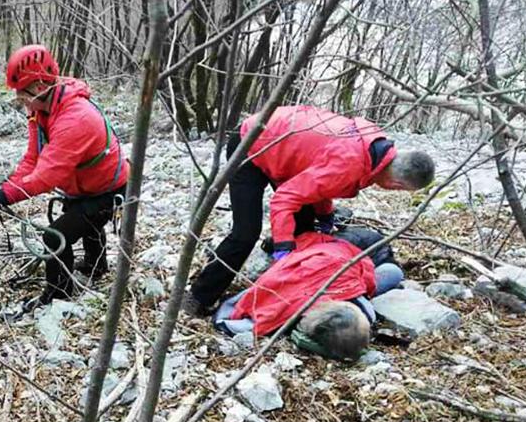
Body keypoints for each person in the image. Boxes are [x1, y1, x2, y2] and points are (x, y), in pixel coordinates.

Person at [185, 105, 434, 316]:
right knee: (246, 232)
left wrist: (325, 215)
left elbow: (319, 177)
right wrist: (284, 248)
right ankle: (198, 298)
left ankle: (291, 285)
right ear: (397, 185)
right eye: (398, 191)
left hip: (285, 153)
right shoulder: (352, 161)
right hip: (251, 144)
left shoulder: (377, 150)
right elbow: (285, 198)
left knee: (305, 228)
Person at [0, 45, 129, 309]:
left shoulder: (75, 119)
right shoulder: (42, 110)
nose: (19, 100)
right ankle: (96, 267)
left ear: (38, 87)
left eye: (21, 93)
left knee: (56, 235)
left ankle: (58, 293)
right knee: (83, 219)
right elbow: (32, 161)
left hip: (108, 188)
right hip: (84, 186)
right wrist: (0, 190)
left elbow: (45, 177)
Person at [213, 228, 404, 360]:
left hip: (341, 250)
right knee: (394, 272)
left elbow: (232, 315)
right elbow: (233, 315)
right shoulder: (279, 314)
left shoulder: (363, 310)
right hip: (352, 248)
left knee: (391, 270)